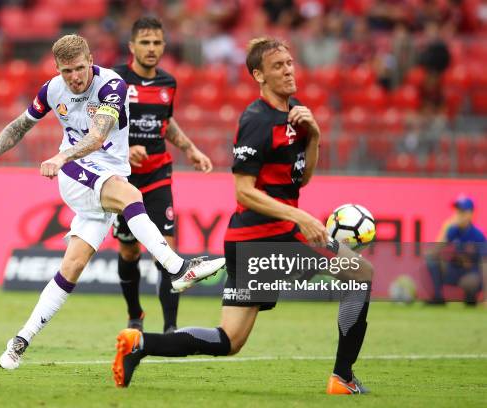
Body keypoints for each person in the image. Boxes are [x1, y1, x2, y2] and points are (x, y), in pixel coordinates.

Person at [111, 37, 375, 395]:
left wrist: (314, 136)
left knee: (229, 340)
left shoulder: (295, 114)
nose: (287, 70)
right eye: (278, 66)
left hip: (254, 238)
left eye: (289, 63)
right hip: (268, 235)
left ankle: (140, 344)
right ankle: (343, 377)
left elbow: (304, 177)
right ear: (259, 76)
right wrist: (300, 217)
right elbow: (243, 191)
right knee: (359, 273)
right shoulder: (256, 119)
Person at [0, 34, 226, 370]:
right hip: (77, 175)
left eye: (78, 68)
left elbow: (98, 137)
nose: (73, 77)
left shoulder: (111, 86)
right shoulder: (51, 90)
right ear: (57, 69)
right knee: (131, 195)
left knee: (71, 268)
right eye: (65, 71)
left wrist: (60, 155)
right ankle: (178, 267)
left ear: (90, 61)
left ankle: (20, 341)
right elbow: (20, 125)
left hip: (101, 175)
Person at [112, 17, 214, 333]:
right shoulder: (114, 80)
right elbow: (97, 126)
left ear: (164, 46)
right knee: (129, 250)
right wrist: (125, 148)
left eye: (157, 42)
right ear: (132, 46)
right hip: (123, 178)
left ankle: (171, 329)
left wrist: (192, 150)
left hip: (157, 173)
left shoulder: (168, 83)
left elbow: (165, 123)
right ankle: (135, 314)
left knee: (166, 251)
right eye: (145, 42)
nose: (151, 48)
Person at [426, 196, 486, 305]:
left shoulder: (478, 235)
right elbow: (435, 252)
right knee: (431, 258)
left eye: (462, 212)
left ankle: (471, 297)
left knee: (469, 282)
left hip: (472, 273)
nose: (458, 214)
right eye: (457, 211)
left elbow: (484, 263)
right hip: (454, 270)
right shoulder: (452, 230)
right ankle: (438, 297)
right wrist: (445, 229)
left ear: (470, 214)